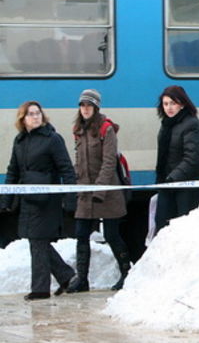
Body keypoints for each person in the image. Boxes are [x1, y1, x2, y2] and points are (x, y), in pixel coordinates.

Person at [0, 101, 77, 300]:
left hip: (46, 199)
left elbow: (66, 169)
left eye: (38, 113)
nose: (36, 117)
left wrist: (70, 199)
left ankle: (41, 289)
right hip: (27, 198)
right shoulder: (20, 141)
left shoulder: (53, 139)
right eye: (31, 114)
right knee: (36, 240)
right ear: (22, 119)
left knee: (38, 241)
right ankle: (66, 276)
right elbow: (13, 171)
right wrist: (6, 200)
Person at [67, 89, 131, 293]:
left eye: (89, 105)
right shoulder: (78, 129)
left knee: (112, 234)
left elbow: (109, 161)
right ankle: (82, 279)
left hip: (107, 192)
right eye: (82, 105)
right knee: (81, 234)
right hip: (86, 192)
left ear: (96, 107)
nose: (85, 109)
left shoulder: (106, 129)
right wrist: (78, 184)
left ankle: (126, 274)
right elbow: (78, 160)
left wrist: (100, 189)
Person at [154, 85, 199, 234]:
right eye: (165, 104)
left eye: (173, 103)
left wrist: (173, 178)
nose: (169, 108)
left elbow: (192, 158)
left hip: (188, 185)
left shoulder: (192, 124)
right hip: (169, 183)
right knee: (162, 226)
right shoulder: (166, 124)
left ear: (182, 104)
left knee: (185, 229)